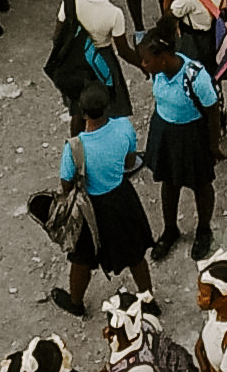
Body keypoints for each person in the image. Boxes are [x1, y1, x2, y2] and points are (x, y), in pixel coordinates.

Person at [50, 83, 154, 317]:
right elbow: (129, 163)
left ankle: (76, 302)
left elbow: (66, 185)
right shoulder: (124, 128)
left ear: (83, 112)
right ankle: (148, 300)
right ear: (107, 107)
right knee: (135, 254)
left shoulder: (75, 147)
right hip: (121, 198)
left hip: (90, 208)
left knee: (82, 257)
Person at [142, 22, 222, 261]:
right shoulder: (158, 72)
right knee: (169, 182)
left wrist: (213, 145)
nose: (144, 65)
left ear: (164, 59)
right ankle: (170, 230)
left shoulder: (195, 75)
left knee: (200, 184)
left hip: (191, 135)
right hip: (165, 131)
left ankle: (203, 230)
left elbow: (213, 111)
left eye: (147, 60)